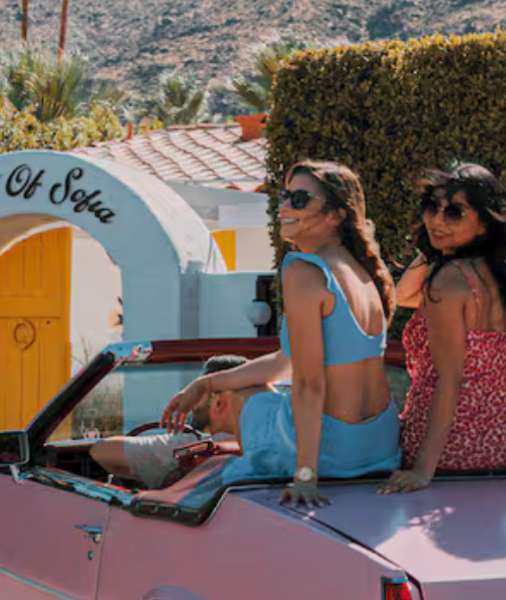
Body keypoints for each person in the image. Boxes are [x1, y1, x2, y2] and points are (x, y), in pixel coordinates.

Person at [165, 160, 398, 506]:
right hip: (380, 443)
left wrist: (305, 474)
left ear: (336, 214)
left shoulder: (303, 269)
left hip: (331, 450)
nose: (285, 206)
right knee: (251, 390)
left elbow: (308, 382)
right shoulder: (364, 273)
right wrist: (207, 383)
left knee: (248, 406)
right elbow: (290, 361)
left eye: (300, 199)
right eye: (284, 196)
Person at [379, 164, 506, 493]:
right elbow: (403, 296)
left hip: (448, 450)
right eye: (432, 208)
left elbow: (451, 379)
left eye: (454, 213)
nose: (437, 220)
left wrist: (422, 470)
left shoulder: (448, 282)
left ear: (482, 225)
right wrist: (435, 248)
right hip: (499, 443)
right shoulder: (493, 275)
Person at [89, 355, 248, 488]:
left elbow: (102, 451)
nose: (192, 404)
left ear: (219, 401)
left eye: (198, 394)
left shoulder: (192, 448)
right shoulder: (264, 446)